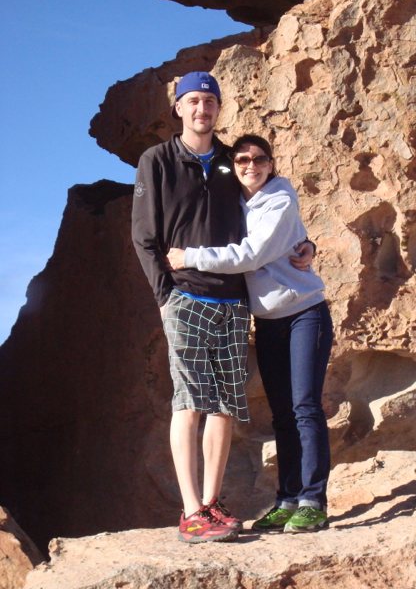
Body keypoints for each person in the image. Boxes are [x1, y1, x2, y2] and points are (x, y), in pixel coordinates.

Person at [131, 73, 314, 544]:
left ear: (218, 107)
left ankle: (212, 503)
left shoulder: (235, 161)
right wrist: (164, 296)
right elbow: (144, 236)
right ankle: (192, 511)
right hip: (185, 296)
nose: (202, 109)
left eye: (209, 101)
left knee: (225, 405)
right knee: (190, 401)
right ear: (178, 107)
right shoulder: (158, 160)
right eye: (193, 101)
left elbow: (272, 210)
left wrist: (304, 242)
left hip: (234, 300)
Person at [167, 134, 334, 534]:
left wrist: (189, 257)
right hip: (269, 321)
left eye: (259, 159)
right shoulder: (235, 201)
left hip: (304, 314)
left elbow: (252, 254)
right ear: (233, 165)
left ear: (271, 164)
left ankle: (313, 501)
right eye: (242, 160)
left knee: (305, 408)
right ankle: (288, 499)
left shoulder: (280, 197)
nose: (251, 166)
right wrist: (306, 242)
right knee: (282, 415)